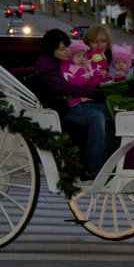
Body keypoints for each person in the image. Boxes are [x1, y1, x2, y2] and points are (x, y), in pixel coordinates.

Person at [35, 29, 115, 177]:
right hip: (59, 108)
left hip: (71, 103)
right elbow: (63, 86)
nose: (67, 51)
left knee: (108, 110)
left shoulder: (62, 60)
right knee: (96, 117)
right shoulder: (45, 64)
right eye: (62, 49)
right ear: (52, 50)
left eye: (67, 46)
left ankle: (109, 162)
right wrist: (91, 93)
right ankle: (96, 168)